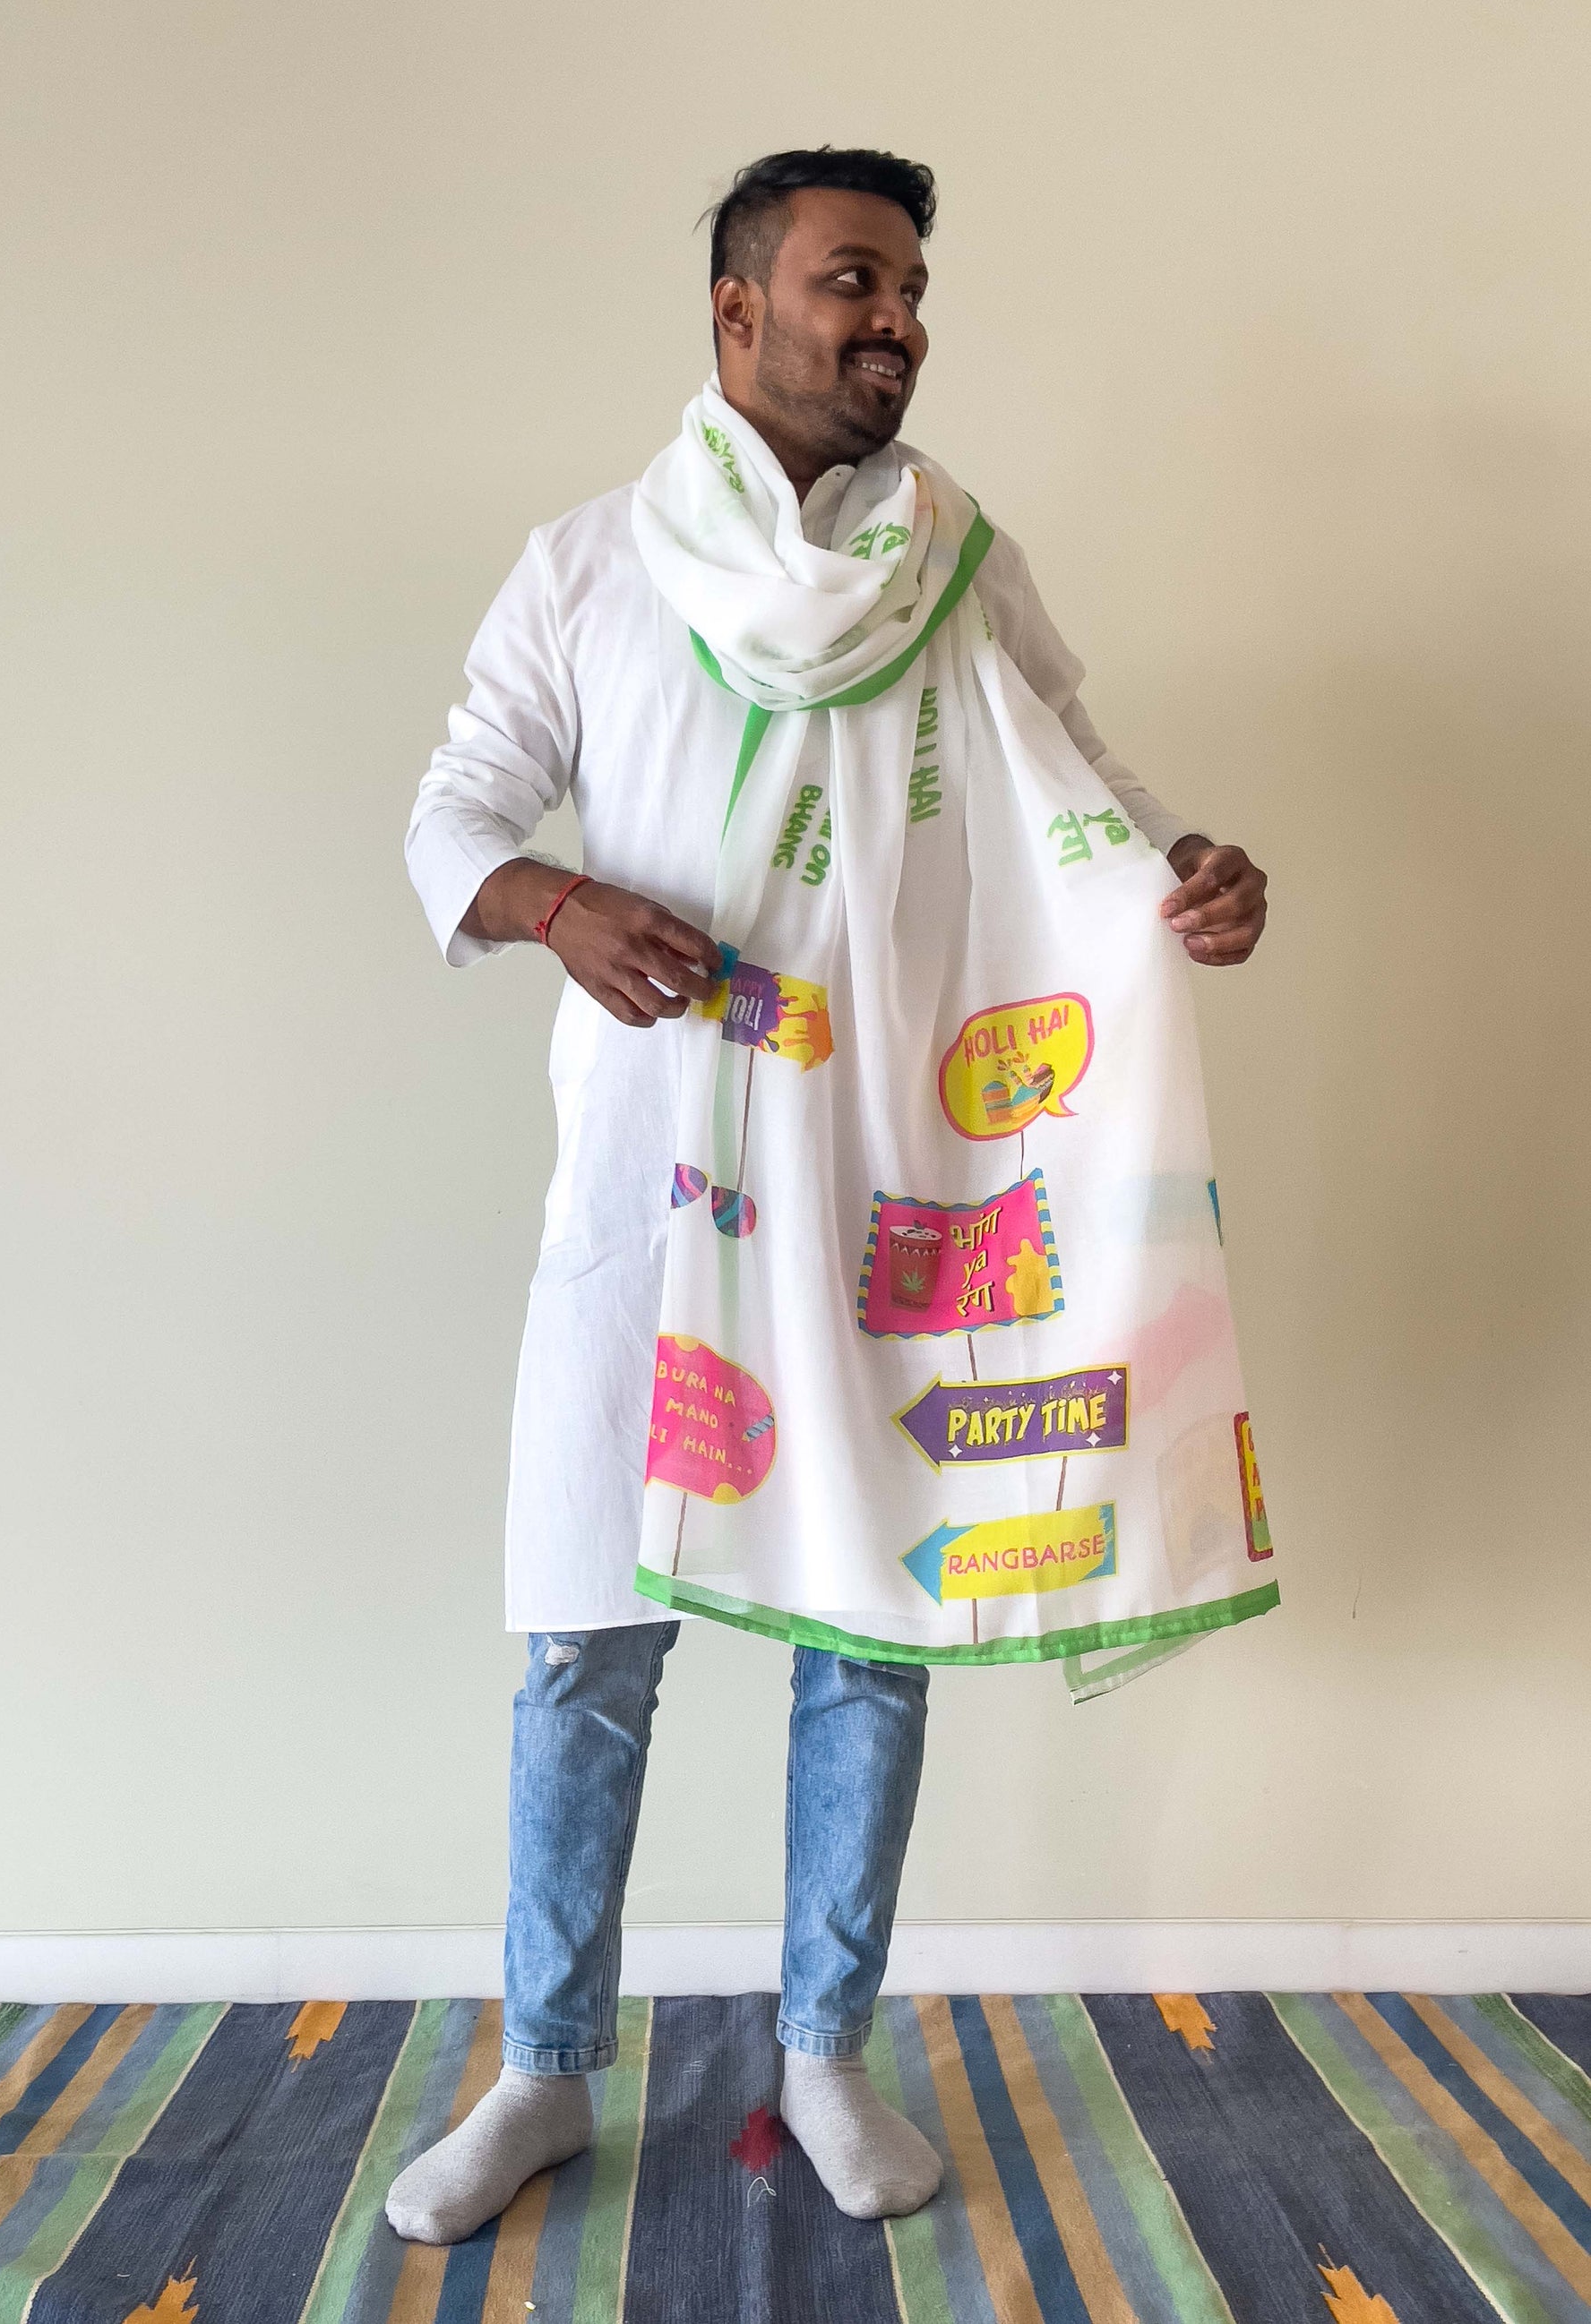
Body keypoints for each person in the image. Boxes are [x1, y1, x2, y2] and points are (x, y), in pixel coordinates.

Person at [389, 147, 1269, 2247]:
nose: (897, 322)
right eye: (852, 280)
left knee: (874, 1634)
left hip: (887, 1177)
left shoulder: (955, 563)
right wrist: (554, 902)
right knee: (582, 1641)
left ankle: (824, 2051)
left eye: (911, 288)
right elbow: (454, 810)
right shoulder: (591, 564)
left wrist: (1185, 870)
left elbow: (1077, 774)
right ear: (736, 310)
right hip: (654, 1188)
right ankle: (541, 2065)